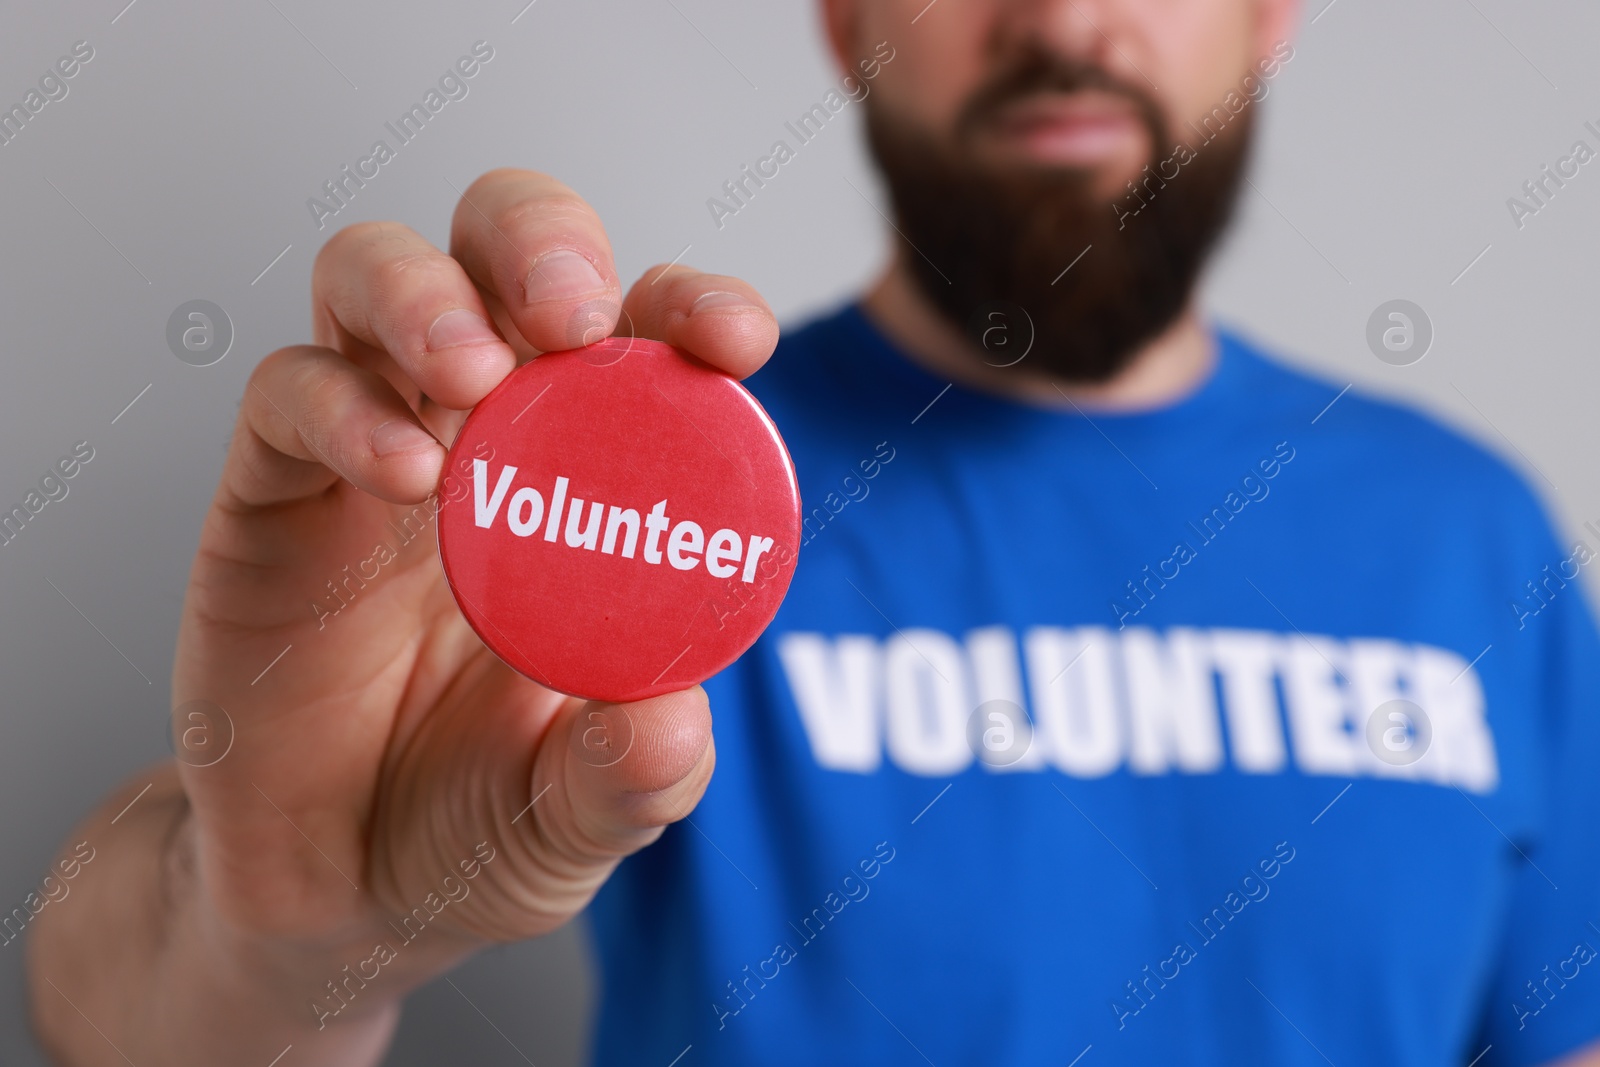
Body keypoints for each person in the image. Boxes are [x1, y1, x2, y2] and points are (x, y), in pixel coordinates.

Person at [28, 0, 1600, 1063]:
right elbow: (102, 989)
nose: (1061, 23)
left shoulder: (1470, 535)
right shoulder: (624, 512)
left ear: (1267, 17)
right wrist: (277, 937)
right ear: (853, 25)